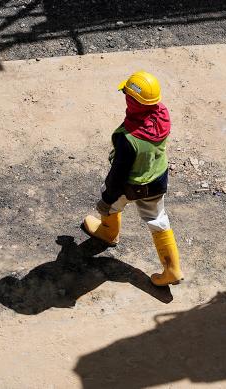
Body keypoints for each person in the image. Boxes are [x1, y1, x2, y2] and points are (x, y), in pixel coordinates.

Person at [82, 70, 183, 287]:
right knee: (158, 220)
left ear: (133, 101)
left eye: (127, 95)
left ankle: (108, 233)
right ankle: (172, 270)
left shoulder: (128, 139)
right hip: (157, 178)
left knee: (110, 206)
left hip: (131, 186)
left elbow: (118, 175)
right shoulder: (161, 115)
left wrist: (107, 198)